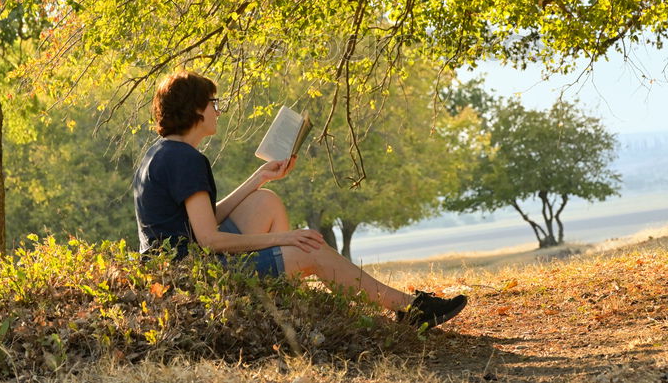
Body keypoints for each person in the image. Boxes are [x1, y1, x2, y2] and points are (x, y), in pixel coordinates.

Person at [133, 70, 467, 329]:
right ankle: (410, 308)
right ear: (196, 109)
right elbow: (209, 239)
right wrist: (285, 238)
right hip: (193, 278)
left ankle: (280, 296)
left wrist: (260, 177)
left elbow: (203, 221)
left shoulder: (162, 154)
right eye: (214, 104)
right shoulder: (186, 159)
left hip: (176, 271)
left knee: (266, 200)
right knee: (308, 248)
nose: (218, 112)